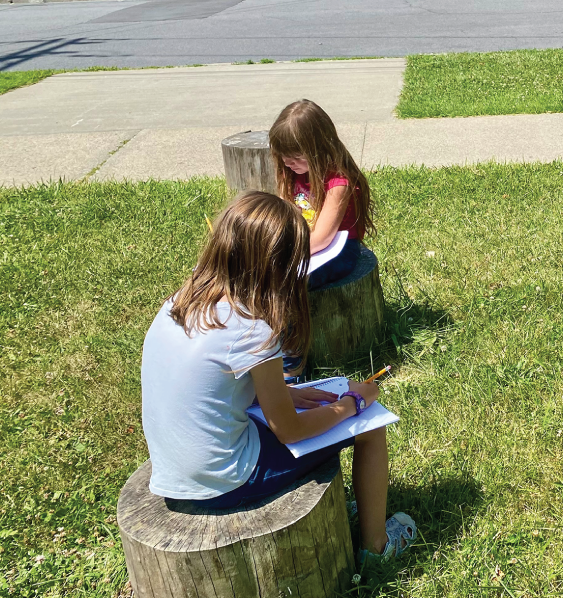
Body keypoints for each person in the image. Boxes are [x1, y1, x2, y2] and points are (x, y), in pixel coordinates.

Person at [140, 191, 415, 563]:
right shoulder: (251, 328)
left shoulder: (183, 300)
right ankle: (376, 547)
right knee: (371, 428)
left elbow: (220, 384)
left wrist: (291, 395)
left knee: (312, 412)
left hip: (174, 472)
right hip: (225, 480)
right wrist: (351, 405)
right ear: (281, 267)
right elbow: (290, 431)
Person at [268, 99, 374, 292]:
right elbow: (285, 215)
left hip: (336, 250)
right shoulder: (291, 170)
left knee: (289, 283)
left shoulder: (338, 183)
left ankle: (287, 321)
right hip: (300, 246)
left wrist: (284, 255)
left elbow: (322, 239)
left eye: (295, 157)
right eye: (283, 155)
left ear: (319, 149)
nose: (287, 162)